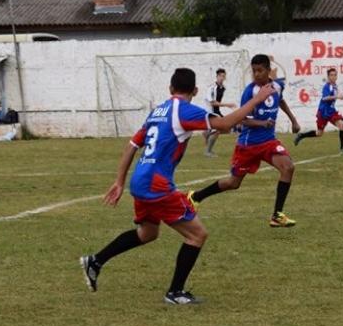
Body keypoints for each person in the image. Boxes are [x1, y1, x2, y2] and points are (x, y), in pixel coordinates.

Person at [79, 68, 275, 305]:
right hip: (157, 185)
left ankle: (95, 261)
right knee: (197, 235)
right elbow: (224, 124)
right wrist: (256, 99)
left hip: (140, 180)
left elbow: (132, 145)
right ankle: (175, 292)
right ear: (195, 90)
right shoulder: (184, 110)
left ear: (170, 88)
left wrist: (120, 181)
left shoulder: (158, 110)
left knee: (148, 233)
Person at [188, 54, 300, 228]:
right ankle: (196, 196)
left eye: (260, 70)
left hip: (269, 142)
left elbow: (281, 100)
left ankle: (277, 215)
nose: (256, 74)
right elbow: (242, 119)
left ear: (268, 70)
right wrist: (262, 123)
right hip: (249, 145)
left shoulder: (277, 86)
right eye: (254, 71)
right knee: (233, 183)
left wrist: (293, 120)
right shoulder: (250, 92)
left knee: (288, 167)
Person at [294, 67, 343, 154]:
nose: (333, 77)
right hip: (323, 112)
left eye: (335, 75)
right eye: (331, 75)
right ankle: (301, 135)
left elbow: (333, 97)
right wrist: (337, 96)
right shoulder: (327, 86)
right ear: (328, 76)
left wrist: (340, 96)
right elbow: (325, 98)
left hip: (331, 111)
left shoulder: (335, 86)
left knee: (342, 126)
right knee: (319, 133)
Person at [202, 68, 237, 156]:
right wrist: (227, 105)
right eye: (220, 76)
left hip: (216, 111)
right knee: (217, 130)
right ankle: (208, 151)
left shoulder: (223, 88)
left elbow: (217, 102)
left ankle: (207, 133)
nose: (222, 78)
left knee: (227, 128)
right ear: (217, 76)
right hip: (210, 112)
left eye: (223, 76)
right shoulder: (212, 88)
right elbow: (212, 103)